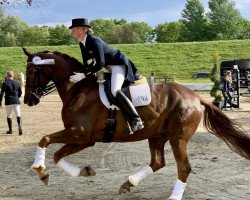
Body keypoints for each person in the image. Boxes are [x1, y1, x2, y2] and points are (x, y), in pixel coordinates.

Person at [68, 18, 144, 133]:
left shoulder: (94, 40)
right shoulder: (82, 43)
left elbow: (100, 63)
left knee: (115, 90)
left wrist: (84, 75)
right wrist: (79, 73)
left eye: (73, 29)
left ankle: (136, 119)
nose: (71, 32)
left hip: (118, 64)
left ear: (81, 30)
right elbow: (86, 63)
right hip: (109, 67)